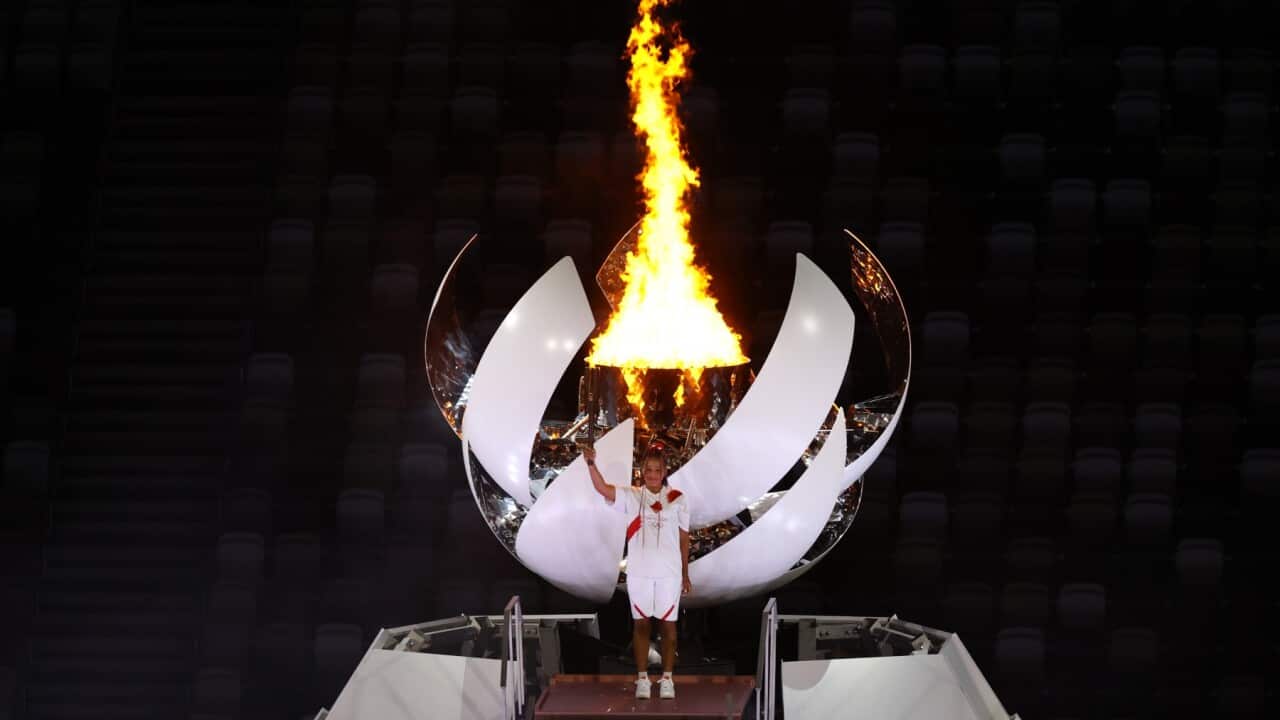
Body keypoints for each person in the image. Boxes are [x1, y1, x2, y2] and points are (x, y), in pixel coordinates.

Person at [585, 442, 691, 700]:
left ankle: (667, 679)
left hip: (669, 573)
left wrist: (686, 573)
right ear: (642, 471)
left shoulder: (677, 498)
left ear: (665, 471)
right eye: (648, 469)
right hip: (640, 573)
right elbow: (602, 488)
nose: (652, 474)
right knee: (641, 625)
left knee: (668, 627)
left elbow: (684, 538)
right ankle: (642, 679)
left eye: (657, 469)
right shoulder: (631, 496)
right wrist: (590, 463)